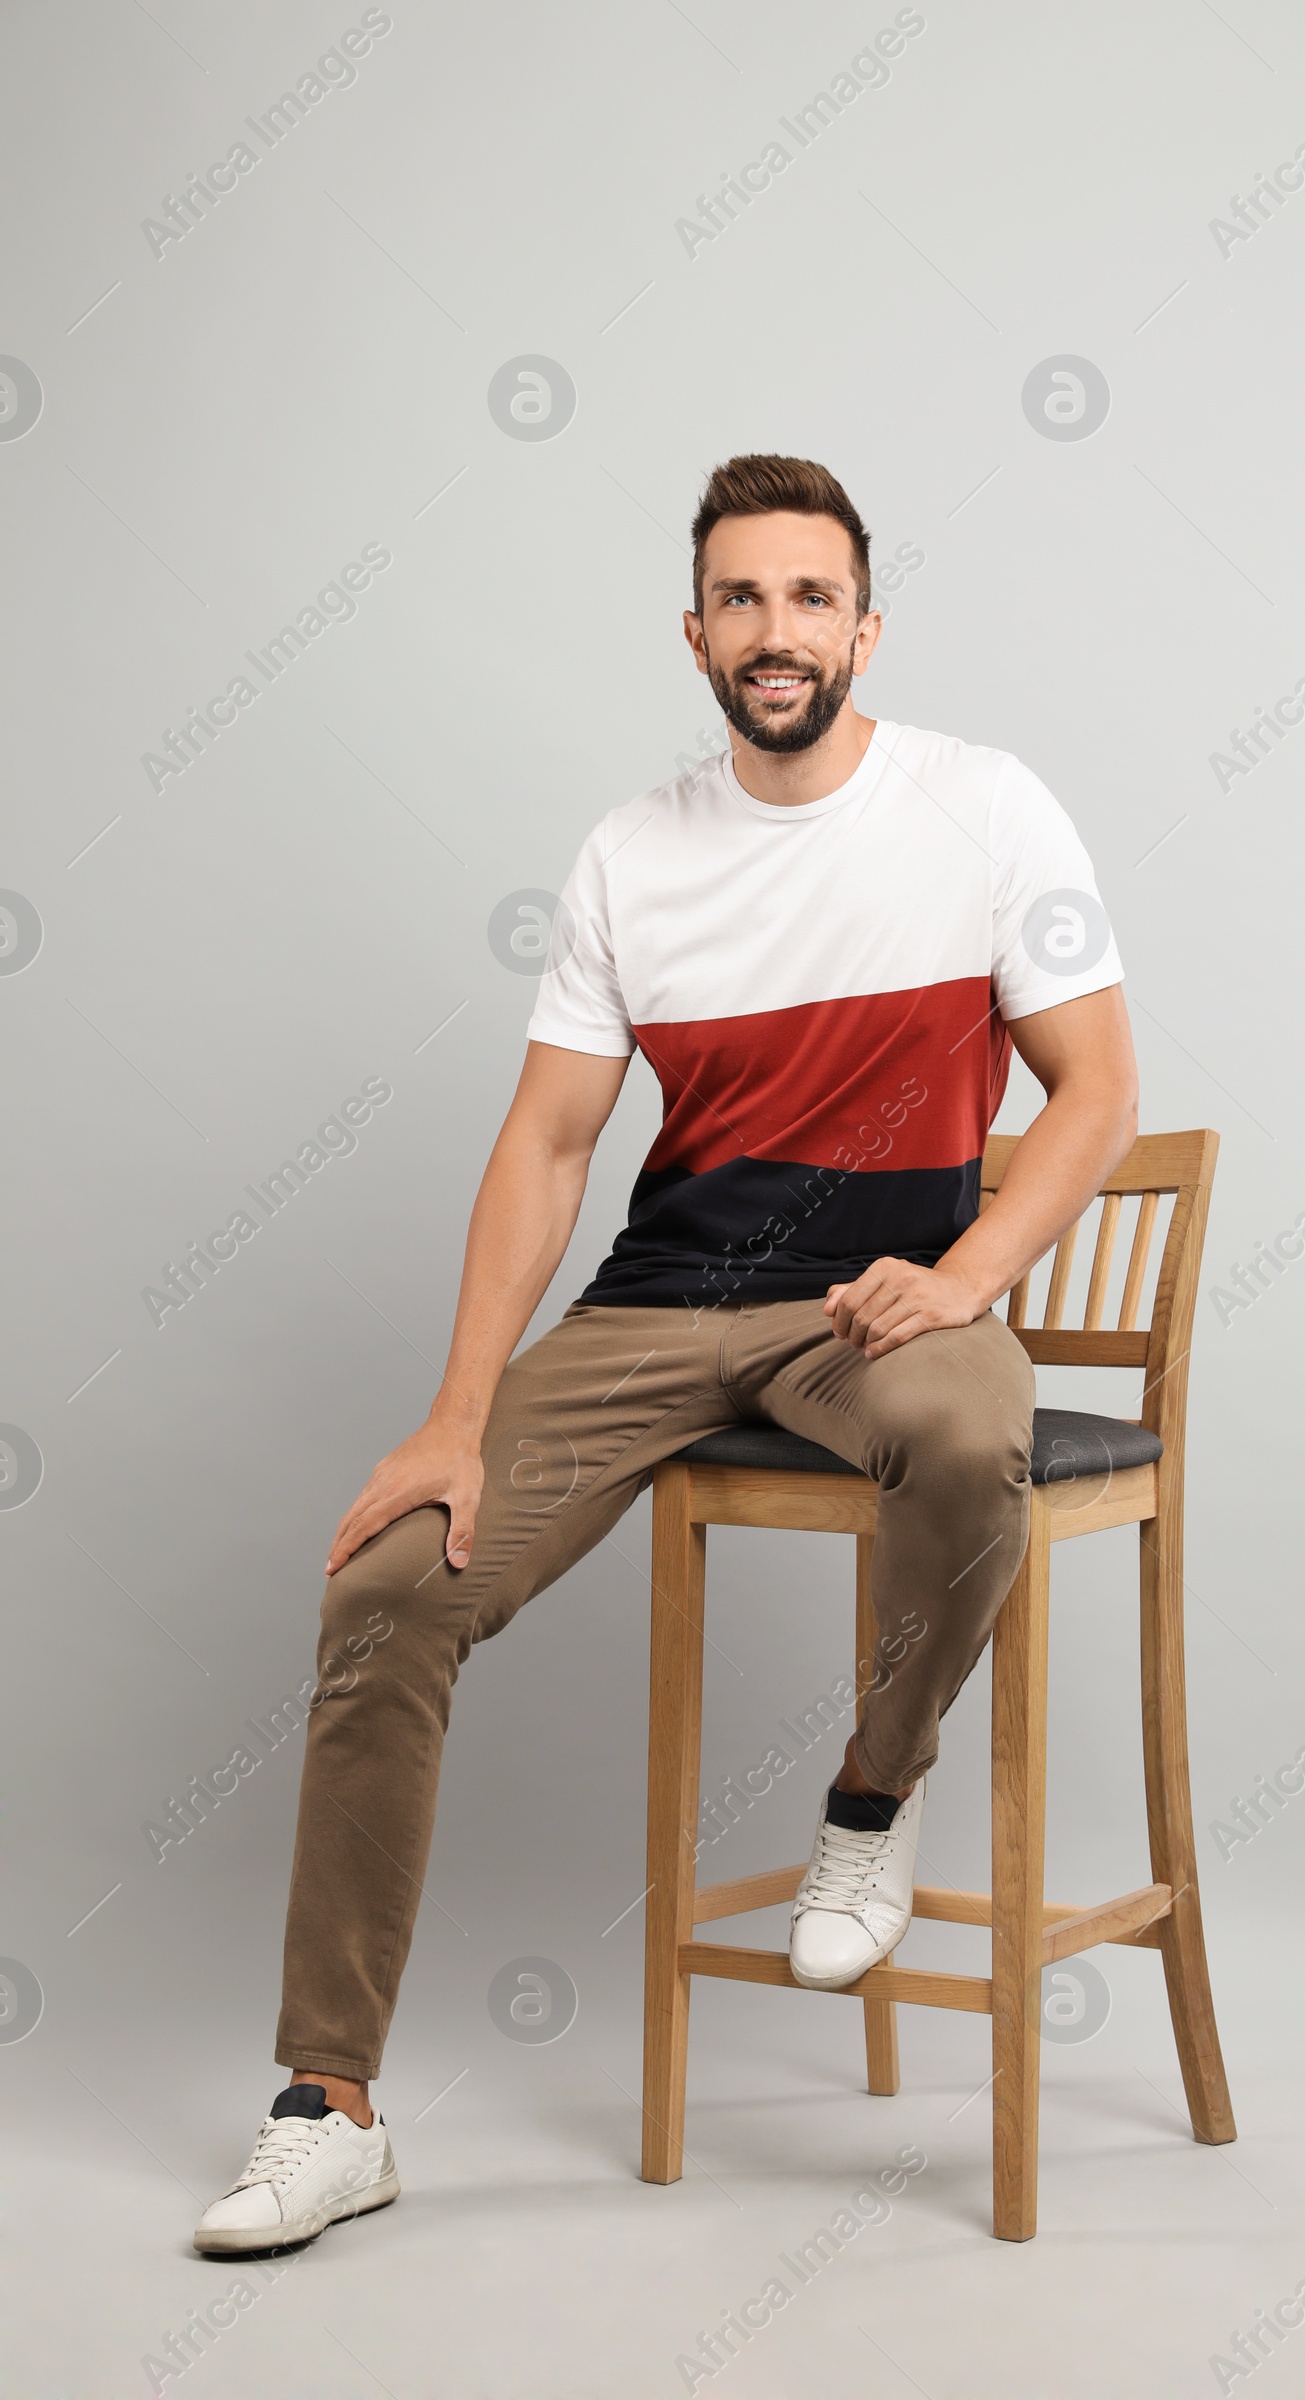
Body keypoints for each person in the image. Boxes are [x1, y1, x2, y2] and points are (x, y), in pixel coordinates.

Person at [193, 453, 1138, 2254]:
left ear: (866, 624)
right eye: (740, 599)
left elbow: (1096, 1090)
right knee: (387, 1586)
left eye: (808, 597)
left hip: (876, 1303)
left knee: (963, 1439)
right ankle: (330, 2103)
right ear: (695, 632)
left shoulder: (986, 806)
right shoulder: (634, 848)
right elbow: (549, 1146)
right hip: (655, 1311)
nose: (774, 631)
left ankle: (873, 1796)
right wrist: (455, 1414)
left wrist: (969, 1275)